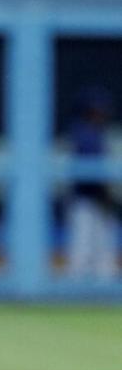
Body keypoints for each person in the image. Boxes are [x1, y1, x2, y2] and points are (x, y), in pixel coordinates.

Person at [65, 90, 118, 280]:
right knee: (83, 252)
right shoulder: (84, 134)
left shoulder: (95, 133)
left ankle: (100, 295)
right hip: (85, 201)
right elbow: (93, 175)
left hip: (95, 202)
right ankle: (75, 296)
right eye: (97, 109)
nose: (102, 112)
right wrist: (106, 197)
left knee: (102, 253)